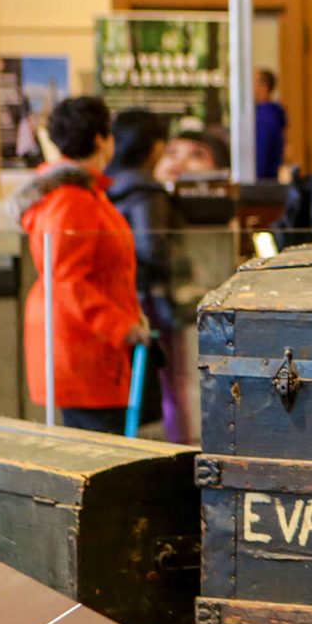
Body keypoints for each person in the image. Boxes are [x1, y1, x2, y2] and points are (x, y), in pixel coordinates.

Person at [14, 95, 149, 434]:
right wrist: (122, 326)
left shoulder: (81, 194)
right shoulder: (73, 200)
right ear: (102, 139)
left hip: (87, 346)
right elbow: (68, 282)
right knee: (102, 458)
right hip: (86, 351)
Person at [104, 108, 190, 441]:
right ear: (155, 148)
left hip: (122, 301)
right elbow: (154, 249)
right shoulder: (148, 195)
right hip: (155, 300)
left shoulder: (105, 190)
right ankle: (179, 452)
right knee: (173, 383)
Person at [252, 69, 288, 182]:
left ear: (264, 86)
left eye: (254, 82)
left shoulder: (266, 116)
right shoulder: (271, 113)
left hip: (262, 183)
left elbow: (262, 152)